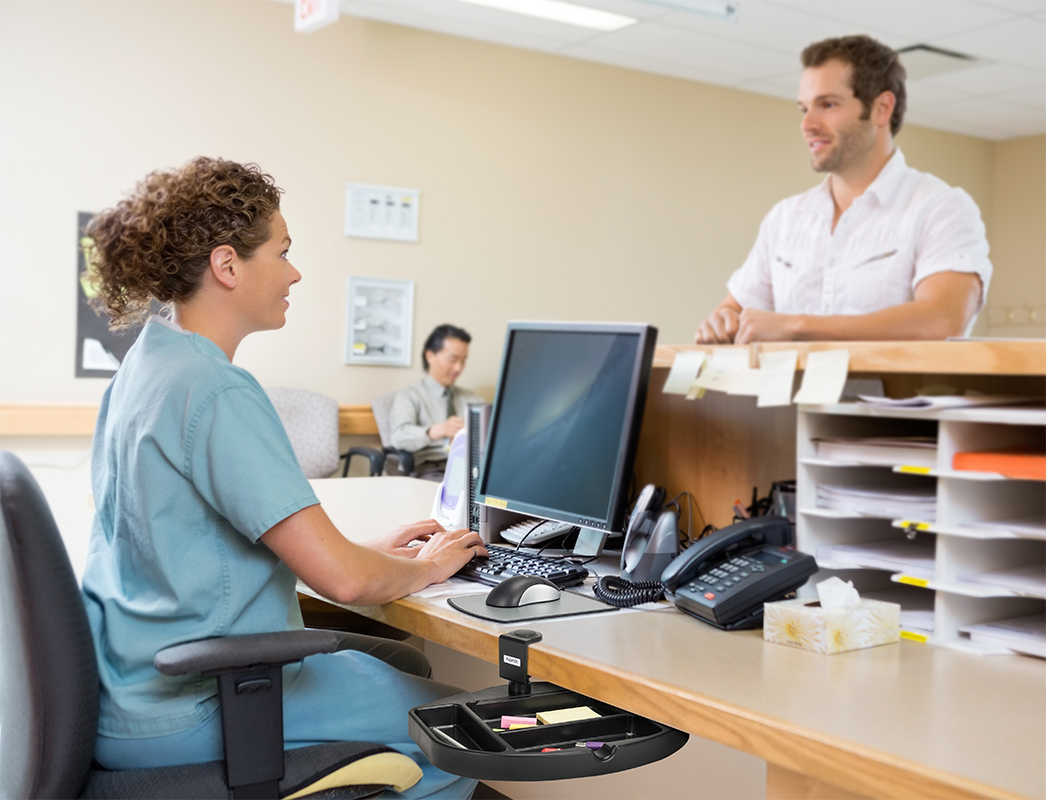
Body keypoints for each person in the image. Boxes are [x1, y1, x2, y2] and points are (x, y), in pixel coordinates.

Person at [79, 157, 487, 799]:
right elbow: (344, 581)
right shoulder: (215, 390)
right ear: (228, 265)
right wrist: (428, 567)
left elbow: (200, 546)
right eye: (283, 251)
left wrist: (373, 553)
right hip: (200, 701)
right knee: (471, 731)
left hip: (129, 686)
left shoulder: (146, 366)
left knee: (403, 663)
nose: (295, 272)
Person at [696, 35, 992, 345]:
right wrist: (721, 322)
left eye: (827, 104)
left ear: (881, 108)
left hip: (896, 395)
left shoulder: (940, 207)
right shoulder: (785, 218)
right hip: (789, 396)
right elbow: (734, 309)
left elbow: (941, 319)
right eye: (804, 108)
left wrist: (797, 326)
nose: (807, 124)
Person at [389, 324, 483, 480]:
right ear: (430, 356)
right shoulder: (410, 396)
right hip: (434, 468)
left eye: (463, 361)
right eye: (453, 360)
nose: (459, 368)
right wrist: (435, 431)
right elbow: (398, 437)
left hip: (474, 467)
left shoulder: (471, 398)